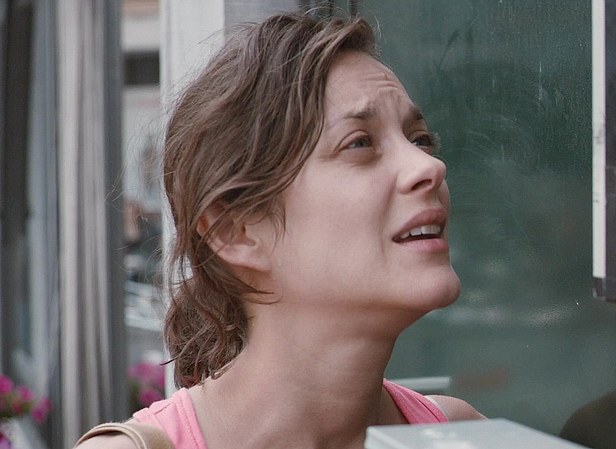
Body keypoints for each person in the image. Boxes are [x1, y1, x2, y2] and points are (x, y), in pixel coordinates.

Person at [76, 10, 484, 449]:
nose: (429, 166)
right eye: (360, 143)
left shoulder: (461, 436)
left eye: (420, 139)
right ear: (235, 231)